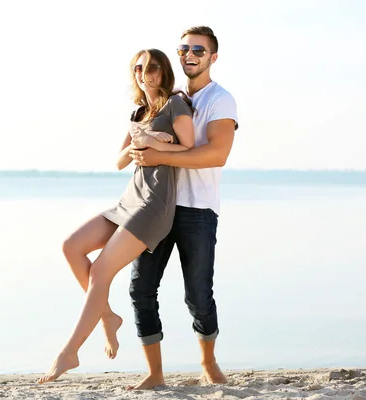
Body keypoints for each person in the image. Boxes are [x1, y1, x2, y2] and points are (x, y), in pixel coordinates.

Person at [38, 48, 195, 384]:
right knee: (71, 246)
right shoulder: (139, 110)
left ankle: (70, 352)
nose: (144, 74)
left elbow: (190, 148)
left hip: (154, 206)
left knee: (101, 272)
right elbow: (120, 162)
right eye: (138, 68)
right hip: (129, 199)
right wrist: (141, 138)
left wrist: (157, 143)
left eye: (151, 68)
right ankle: (107, 316)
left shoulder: (176, 105)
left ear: (163, 71)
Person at [126, 26, 239, 390]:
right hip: (156, 208)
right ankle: (155, 373)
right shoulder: (170, 99)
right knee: (141, 288)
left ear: (213, 57)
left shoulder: (221, 100)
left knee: (198, 295)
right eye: (183, 49)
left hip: (198, 209)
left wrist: (158, 154)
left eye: (198, 50)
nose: (189, 54)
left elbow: (217, 154)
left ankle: (208, 362)